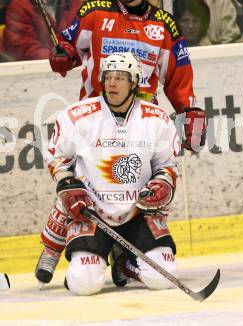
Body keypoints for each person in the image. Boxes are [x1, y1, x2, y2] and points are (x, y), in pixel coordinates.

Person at [35, 0, 206, 285]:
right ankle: (52, 246)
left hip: (140, 119)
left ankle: (129, 258)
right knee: (84, 184)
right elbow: (65, 52)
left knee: (144, 187)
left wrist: (189, 113)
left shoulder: (163, 25)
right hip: (96, 115)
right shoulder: (94, 12)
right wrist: (61, 55)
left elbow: (178, 76)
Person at [46, 52, 179, 295]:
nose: (112, 83)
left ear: (134, 82)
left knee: (162, 278)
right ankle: (85, 260)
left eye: (120, 77)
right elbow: (57, 155)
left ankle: (127, 264)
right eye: (108, 76)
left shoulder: (156, 118)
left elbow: (167, 164)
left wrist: (162, 182)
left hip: (138, 213)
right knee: (84, 286)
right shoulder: (79, 116)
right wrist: (66, 182)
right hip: (92, 213)